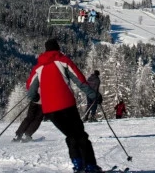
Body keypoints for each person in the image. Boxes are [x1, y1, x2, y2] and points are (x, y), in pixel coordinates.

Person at [26, 38, 103, 173]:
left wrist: (36, 97)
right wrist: (94, 95)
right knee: (80, 135)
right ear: (58, 48)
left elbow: (30, 90)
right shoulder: (63, 61)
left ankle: (77, 164)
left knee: (71, 135)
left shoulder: (38, 68)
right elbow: (80, 81)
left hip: (50, 110)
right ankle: (90, 165)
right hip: (67, 105)